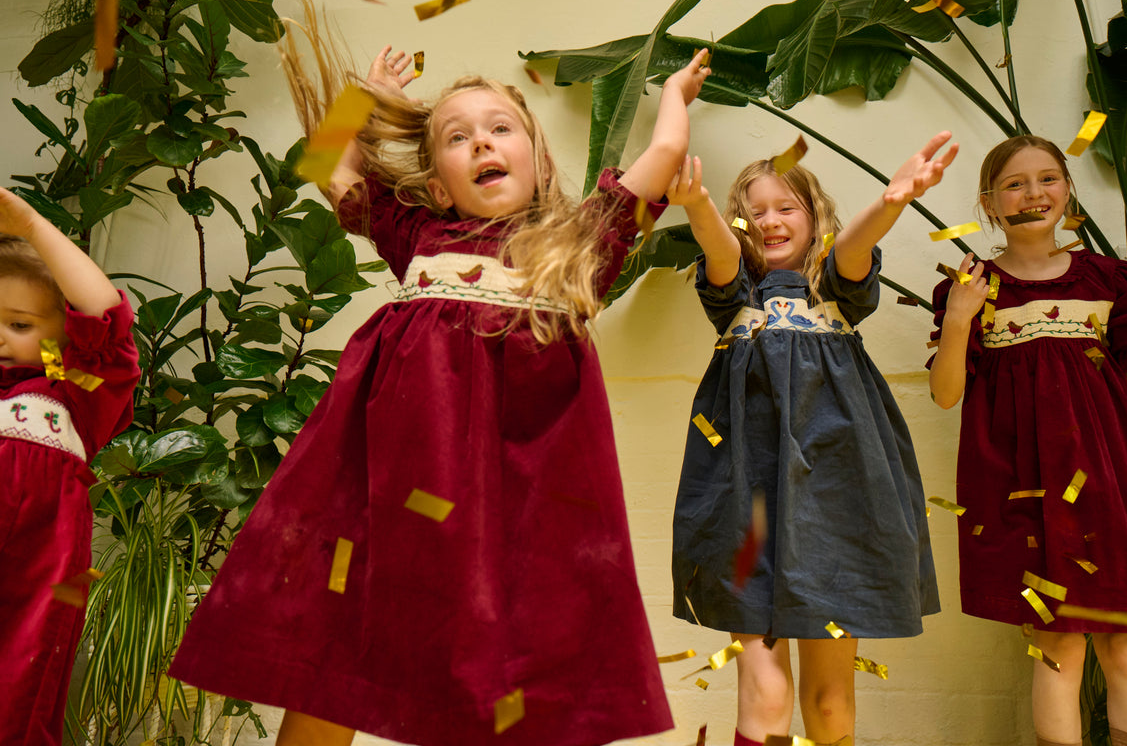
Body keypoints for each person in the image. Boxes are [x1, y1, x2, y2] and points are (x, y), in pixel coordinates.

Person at [169, 40, 712, 745]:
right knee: (338, 637)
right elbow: (326, 161)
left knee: (514, 661)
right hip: (385, 485)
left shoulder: (579, 241)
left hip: (509, 507)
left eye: (499, 128)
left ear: (537, 157)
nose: (481, 140)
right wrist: (363, 98)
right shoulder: (417, 230)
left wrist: (673, 96)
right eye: (457, 137)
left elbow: (663, 155)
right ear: (437, 182)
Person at [667, 135, 955, 746]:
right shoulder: (736, 292)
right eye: (754, 211)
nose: (770, 221)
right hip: (746, 500)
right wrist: (698, 207)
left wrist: (892, 200)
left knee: (829, 703)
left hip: (839, 500)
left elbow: (853, 250)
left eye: (786, 207)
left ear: (814, 215)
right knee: (766, 692)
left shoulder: (839, 291)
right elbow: (720, 250)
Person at [929, 135, 1127, 746]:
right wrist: (958, 318)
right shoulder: (972, 284)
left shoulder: (1109, 279)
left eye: (1048, 179)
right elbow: (947, 393)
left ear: (1067, 189)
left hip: (1114, 483)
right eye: (1015, 183)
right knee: (1057, 646)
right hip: (1022, 490)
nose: (1034, 194)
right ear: (988, 200)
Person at [0, 187, 139, 745]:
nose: (0, 337)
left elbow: (102, 315)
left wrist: (31, 225)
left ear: (60, 334)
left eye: (20, 323)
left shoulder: (71, 390)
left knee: (19, 695)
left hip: (36, 591)